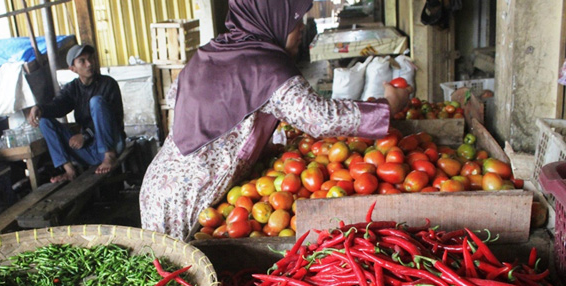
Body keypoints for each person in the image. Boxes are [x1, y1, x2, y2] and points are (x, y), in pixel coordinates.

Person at [139, 0, 412, 241]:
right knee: (178, 283)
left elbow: (185, 103)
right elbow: (319, 118)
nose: (301, 29)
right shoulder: (266, 65)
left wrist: (251, 145)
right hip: (187, 198)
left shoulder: (210, 52)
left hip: (159, 183)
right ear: (273, 17)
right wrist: (386, 107)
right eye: (294, 21)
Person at [27, 44, 126, 182]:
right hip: (89, 148)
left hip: (112, 145)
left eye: (91, 58)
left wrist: (86, 135)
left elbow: (115, 118)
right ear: (73, 69)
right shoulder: (72, 88)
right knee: (45, 120)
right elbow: (58, 106)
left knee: (96, 101)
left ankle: (109, 157)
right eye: (82, 61)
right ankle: (69, 170)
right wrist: (40, 108)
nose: (89, 63)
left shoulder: (108, 84)